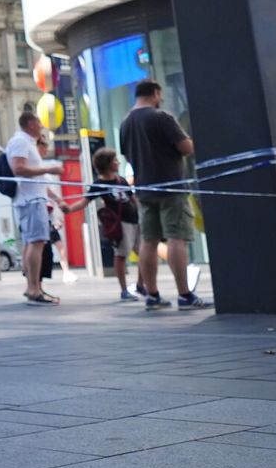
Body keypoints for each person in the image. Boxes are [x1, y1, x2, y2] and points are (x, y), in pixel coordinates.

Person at [117, 82, 209, 310]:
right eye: (160, 95)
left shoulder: (126, 123)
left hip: (145, 189)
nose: (162, 99)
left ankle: (153, 295)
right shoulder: (162, 118)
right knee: (177, 238)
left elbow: (128, 155)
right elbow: (186, 148)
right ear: (155, 94)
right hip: (172, 187)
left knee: (149, 241)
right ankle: (185, 295)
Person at [5, 110, 65, 305]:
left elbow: (36, 178)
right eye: (39, 122)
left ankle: (34, 287)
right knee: (36, 242)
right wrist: (49, 168)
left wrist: (56, 198)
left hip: (33, 199)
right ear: (30, 124)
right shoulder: (21, 142)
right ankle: (33, 289)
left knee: (34, 242)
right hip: (30, 200)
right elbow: (19, 169)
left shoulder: (26, 143)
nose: (41, 126)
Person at [89, 148, 140, 302]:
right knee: (121, 255)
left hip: (134, 221)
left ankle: (141, 284)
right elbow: (85, 200)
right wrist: (68, 208)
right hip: (120, 223)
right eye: (115, 160)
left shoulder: (121, 180)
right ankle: (124, 289)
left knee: (143, 254)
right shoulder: (99, 184)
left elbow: (132, 199)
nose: (118, 162)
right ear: (108, 164)